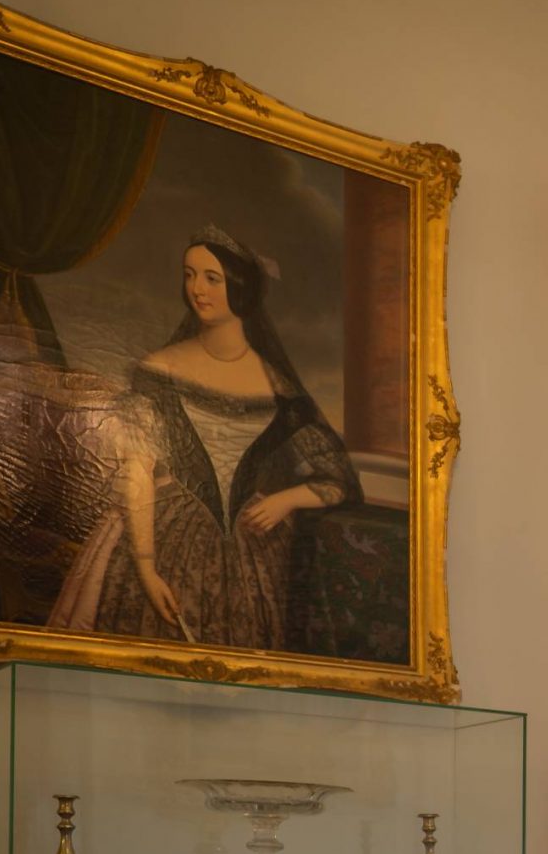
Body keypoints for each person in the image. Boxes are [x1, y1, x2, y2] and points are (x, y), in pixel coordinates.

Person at [50, 227, 359, 649]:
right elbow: (138, 470)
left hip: (251, 551)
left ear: (241, 288)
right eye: (189, 274)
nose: (197, 288)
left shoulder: (277, 385)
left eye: (212, 278)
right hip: (163, 533)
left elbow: (339, 480)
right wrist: (147, 568)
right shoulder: (161, 368)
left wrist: (286, 499)